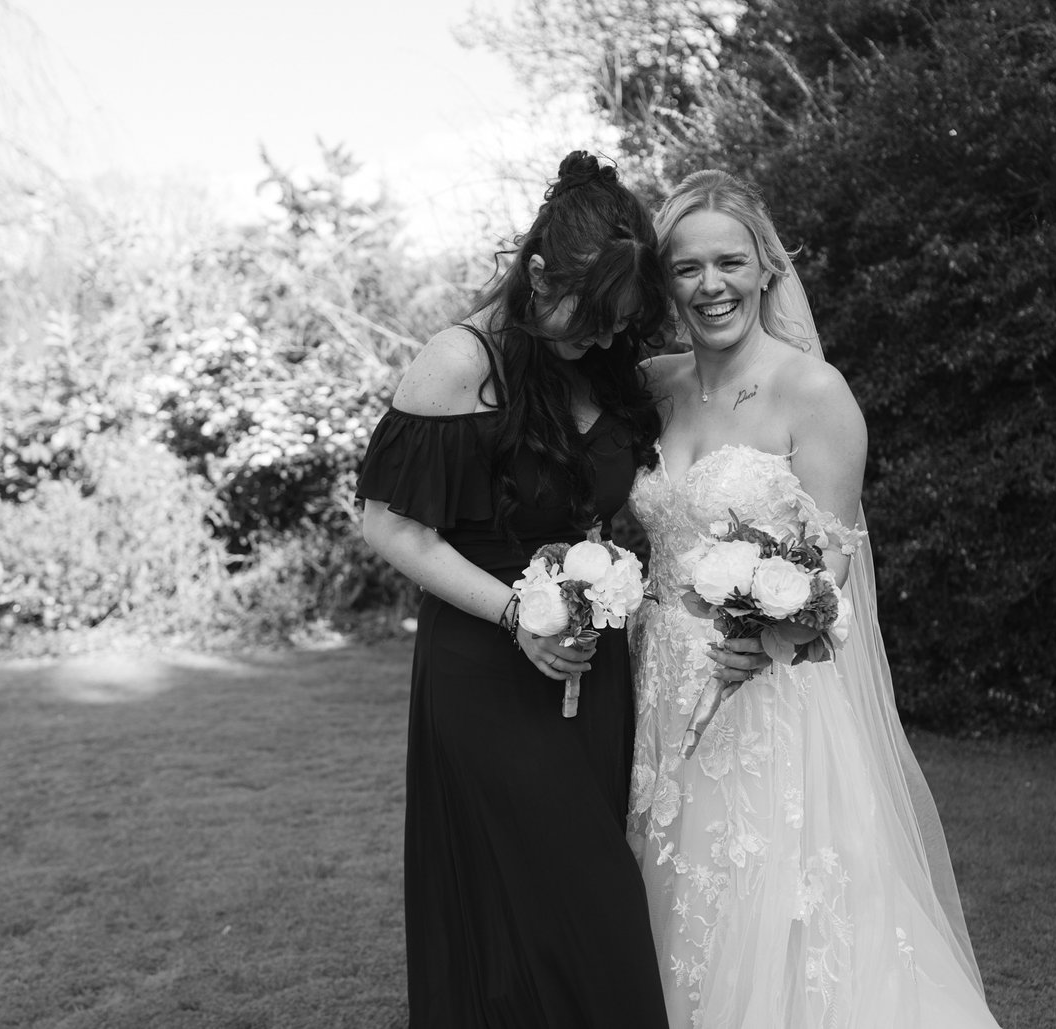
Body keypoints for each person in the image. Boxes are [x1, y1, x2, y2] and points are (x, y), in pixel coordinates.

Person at [626, 169, 1003, 1028]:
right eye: (687, 268)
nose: (710, 285)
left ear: (766, 267)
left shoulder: (816, 394)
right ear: (666, 281)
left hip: (768, 699)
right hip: (659, 691)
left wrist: (767, 634)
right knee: (673, 895)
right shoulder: (656, 384)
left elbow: (832, 567)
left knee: (777, 909)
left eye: (730, 262)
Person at [356, 151, 671, 1028]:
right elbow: (390, 524)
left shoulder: (601, 364)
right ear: (537, 273)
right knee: (579, 911)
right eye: (593, 319)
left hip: (591, 671)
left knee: (562, 905)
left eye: (619, 325)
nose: (605, 340)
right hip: (488, 669)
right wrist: (514, 612)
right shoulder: (460, 361)